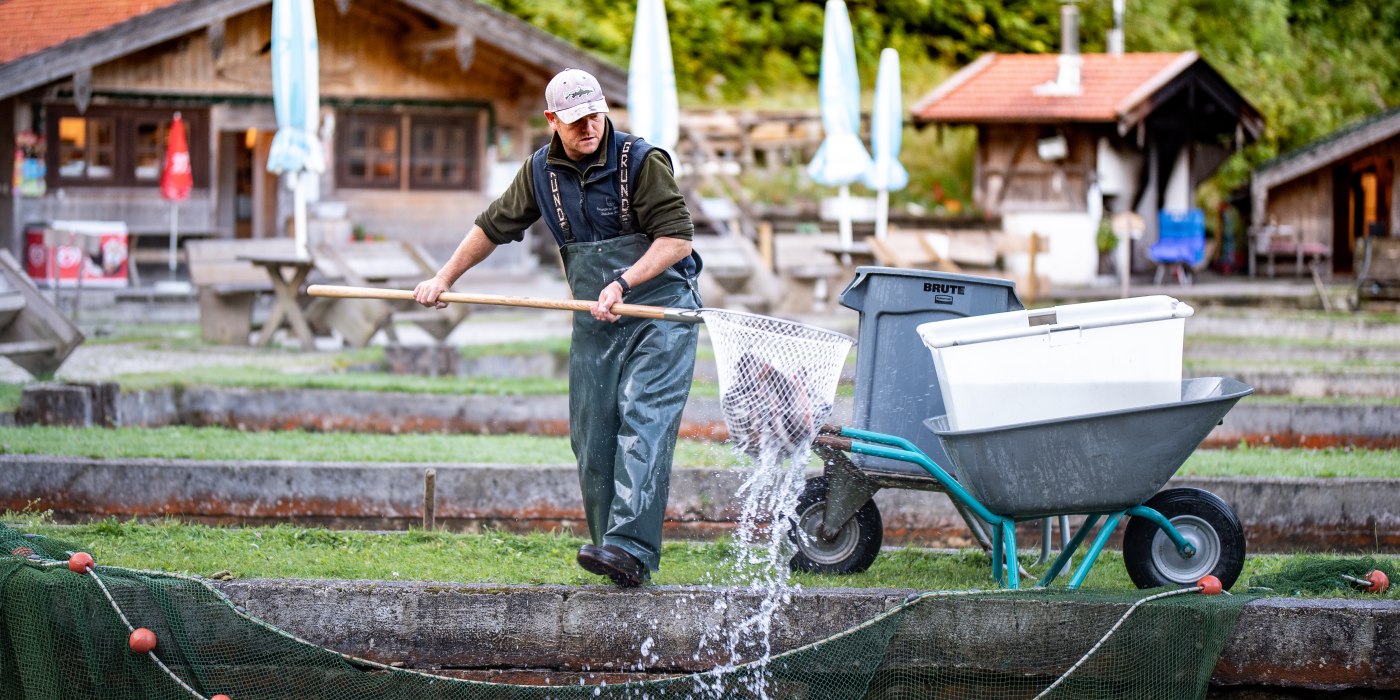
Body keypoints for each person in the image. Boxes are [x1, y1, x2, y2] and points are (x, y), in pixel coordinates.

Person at [414, 68, 701, 587]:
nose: (588, 126)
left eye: (595, 114)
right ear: (552, 120)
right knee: (592, 435)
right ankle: (613, 551)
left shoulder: (642, 162)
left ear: (604, 108)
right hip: (594, 316)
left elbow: (677, 239)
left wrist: (624, 282)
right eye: (575, 120)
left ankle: (631, 546)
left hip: (661, 310)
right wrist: (442, 278)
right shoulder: (539, 172)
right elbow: (491, 227)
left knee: (645, 421)